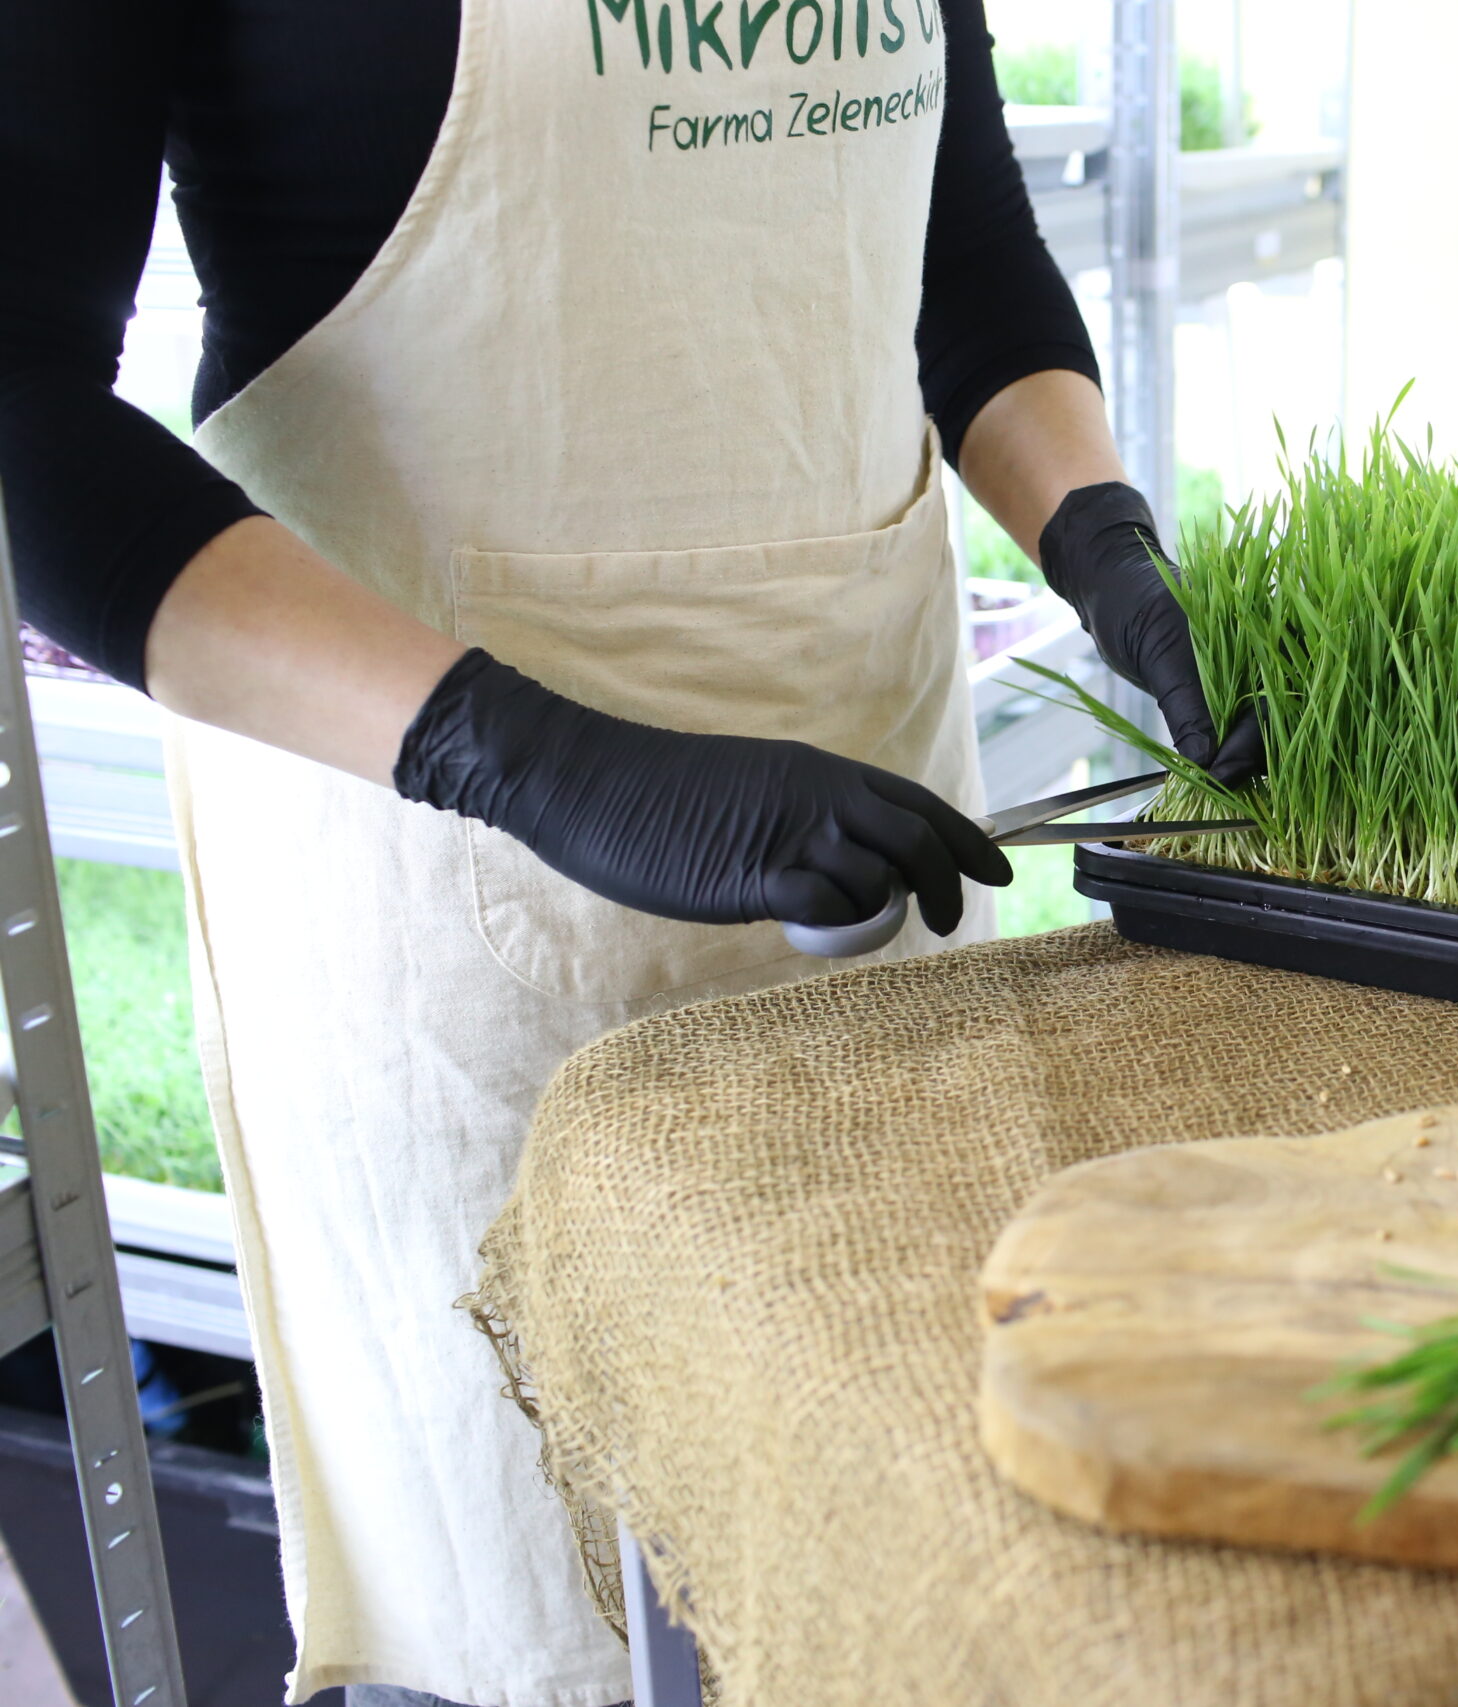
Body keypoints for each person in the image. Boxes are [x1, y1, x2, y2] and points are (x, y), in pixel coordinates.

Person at [1, 3, 1257, 1703]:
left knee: (902, 1578)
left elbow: (960, 263)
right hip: (457, 898)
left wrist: (1097, 533)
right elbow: (26, 425)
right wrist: (523, 755)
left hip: (879, 874)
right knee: (573, 1625)